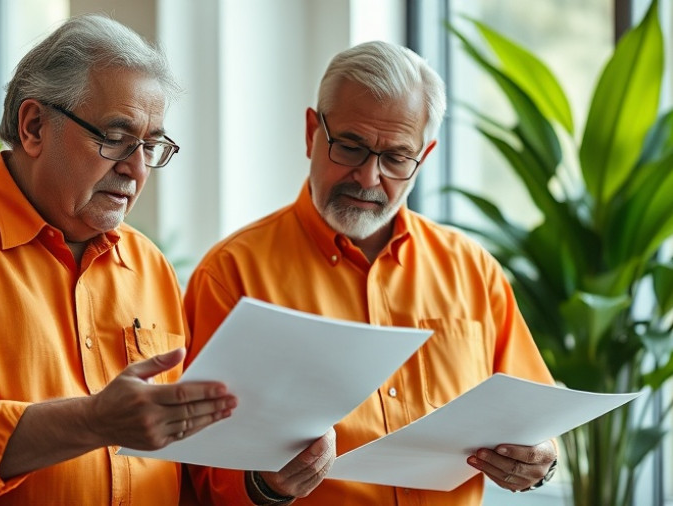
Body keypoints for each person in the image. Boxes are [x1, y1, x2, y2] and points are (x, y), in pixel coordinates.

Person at [0, 14, 240, 505]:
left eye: (150, 145)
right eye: (115, 138)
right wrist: (93, 421)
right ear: (34, 125)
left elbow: (178, 462)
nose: (136, 168)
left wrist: (267, 481)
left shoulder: (151, 267)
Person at [183, 40, 558, 505]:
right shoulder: (231, 275)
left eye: (396, 158)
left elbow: (537, 423)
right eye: (351, 147)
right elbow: (196, 473)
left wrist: (539, 461)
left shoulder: (472, 270)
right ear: (310, 133)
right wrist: (267, 487)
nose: (368, 178)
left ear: (424, 156)